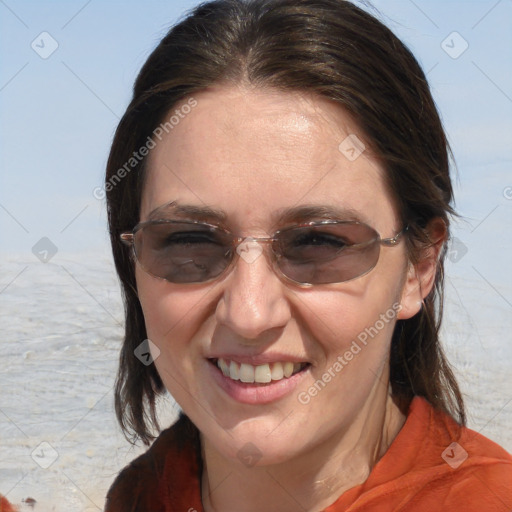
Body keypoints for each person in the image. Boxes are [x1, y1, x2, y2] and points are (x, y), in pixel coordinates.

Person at [103, 0, 512, 510]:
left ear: (419, 266)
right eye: (191, 240)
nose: (250, 314)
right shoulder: (145, 494)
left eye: (318, 242)